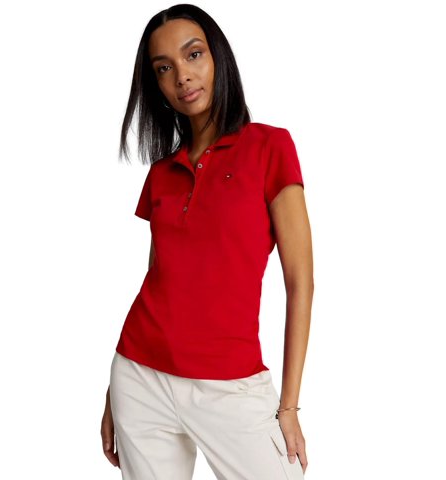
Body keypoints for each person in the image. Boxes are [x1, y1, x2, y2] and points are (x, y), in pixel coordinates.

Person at [100, 4, 314, 479]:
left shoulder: (270, 147)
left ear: (218, 57)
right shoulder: (162, 172)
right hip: (140, 376)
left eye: (193, 54)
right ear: (155, 85)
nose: (182, 76)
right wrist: (114, 394)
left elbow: (300, 282)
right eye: (164, 68)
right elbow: (158, 278)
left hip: (232, 385)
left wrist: (288, 407)